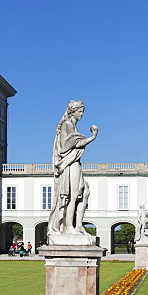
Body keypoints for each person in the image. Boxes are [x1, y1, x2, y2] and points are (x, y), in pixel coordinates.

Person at [48, 100, 99, 235]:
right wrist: (93, 137)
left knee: (85, 192)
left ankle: (78, 225)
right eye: (80, 111)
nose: (82, 114)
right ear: (73, 112)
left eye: (82, 111)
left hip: (75, 162)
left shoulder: (72, 126)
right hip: (70, 164)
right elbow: (73, 144)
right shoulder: (68, 124)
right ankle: (70, 226)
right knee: (73, 195)